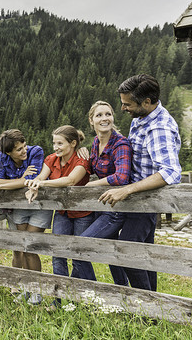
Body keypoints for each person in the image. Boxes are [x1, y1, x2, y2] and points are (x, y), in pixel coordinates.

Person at [97, 74, 182, 291]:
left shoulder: (158, 128)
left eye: (128, 104)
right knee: (144, 255)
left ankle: (145, 305)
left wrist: (128, 189)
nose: (123, 108)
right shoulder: (141, 118)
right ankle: (151, 306)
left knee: (127, 252)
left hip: (146, 200)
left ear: (146, 102)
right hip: (136, 199)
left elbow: (171, 172)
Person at [25, 125, 94, 309]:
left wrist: (43, 184)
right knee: (58, 254)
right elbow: (41, 176)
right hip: (62, 212)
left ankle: (76, 298)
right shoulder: (51, 159)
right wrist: (34, 185)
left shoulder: (82, 159)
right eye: (54, 142)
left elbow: (71, 180)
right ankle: (59, 298)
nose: (55, 147)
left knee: (78, 254)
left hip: (83, 213)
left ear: (72, 143)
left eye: (60, 143)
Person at [0, 129, 52, 305]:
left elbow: (32, 180)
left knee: (31, 247)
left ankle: (38, 290)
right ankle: (28, 289)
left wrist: (3, 186)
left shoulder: (36, 151)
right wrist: (20, 178)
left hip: (38, 205)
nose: (24, 151)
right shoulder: (2, 158)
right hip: (19, 207)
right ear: (8, 152)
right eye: (19, 149)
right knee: (23, 247)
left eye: (24, 146)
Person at [78, 101, 132, 285]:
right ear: (91, 121)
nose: (104, 118)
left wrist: (90, 187)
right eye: (99, 115)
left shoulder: (120, 143)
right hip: (102, 206)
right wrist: (81, 152)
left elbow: (121, 177)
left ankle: (92, 296)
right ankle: (122, 292)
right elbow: (93, 169)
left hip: (115, 210)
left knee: (79, 247)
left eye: (108, 114)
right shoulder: (95, 143)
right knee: (112, 254)